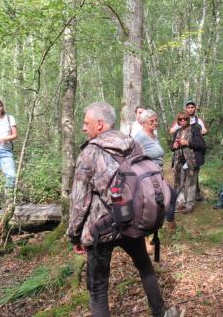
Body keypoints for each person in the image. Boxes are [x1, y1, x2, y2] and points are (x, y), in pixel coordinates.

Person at [67, 102, 182, 317]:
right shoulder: (132, 143)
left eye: (86, 123)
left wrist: (74, 236)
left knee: (98, 289)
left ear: (100, 124)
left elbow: (79, 201)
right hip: (130, 219)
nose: (84, 127)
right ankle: (162, 313)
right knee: (144, 266)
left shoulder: (89, 153)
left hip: (101, 228)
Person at [134, 109, 177, 232]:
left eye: (155, 120)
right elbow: (134, 156)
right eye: (151, 121)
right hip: (149, 176)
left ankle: (161, 224)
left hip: (158, 173)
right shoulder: (139, 137)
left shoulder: (153, 135)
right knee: (171, 195)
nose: (155, 123)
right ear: (143, 123)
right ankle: (167, 224)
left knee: (163, 198)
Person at [169, 99, 207, 201]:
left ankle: (190, 202)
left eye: (185, 119)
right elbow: (172, 146)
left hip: (193, 158)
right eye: (180, 120)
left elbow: (202, 145)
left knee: (191, 182)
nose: (182, 121)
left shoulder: (196, 127)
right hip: (180, 160)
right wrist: (174, 146)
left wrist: (188, 142)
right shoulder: (178, 131)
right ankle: (181, 200)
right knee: (180, 181)